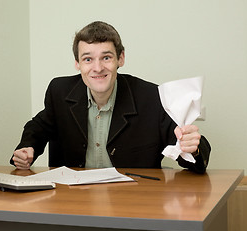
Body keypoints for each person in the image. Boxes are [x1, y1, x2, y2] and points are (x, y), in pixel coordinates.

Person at [11, 21, 210, 173]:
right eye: (88, 59)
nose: (97, 68)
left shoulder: (151, 97)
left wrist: (193, 148)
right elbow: (38, 127)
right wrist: (27, 148)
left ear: (120, 58)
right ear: (77, 64)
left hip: (133, 203)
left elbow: (191, 153)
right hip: (73, 202)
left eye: (106, 57)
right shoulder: (59, 91)